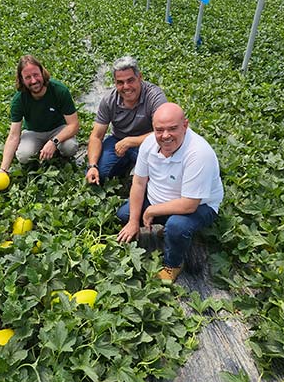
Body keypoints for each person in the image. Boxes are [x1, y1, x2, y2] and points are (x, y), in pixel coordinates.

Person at [116, 103, 223, 282]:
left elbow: (189, 204)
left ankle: (173, 264)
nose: (165, 136)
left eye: (172, 129)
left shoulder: (199, 153)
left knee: (177, 227)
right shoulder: (149, 144)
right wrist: (134, 221)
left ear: (185, 125)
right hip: (160, 199)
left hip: (200, 206)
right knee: (124, 214)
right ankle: (167, 229)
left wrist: (151, 211)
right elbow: (139, 182)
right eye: (159, 130)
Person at [85, 56, 167, 185]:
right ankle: (126, 163)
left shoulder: (154, 97)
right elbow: (96, 136)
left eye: (130, 80)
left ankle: (137, 165)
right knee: (101, 174)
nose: (126, 87)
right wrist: (92, 166)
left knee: (158, 176)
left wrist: (131, 141)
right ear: (115, 83)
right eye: (120, 82)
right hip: (118, 140)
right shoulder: (109, 100)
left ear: (140, 77)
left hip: (150, 143)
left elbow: (164, 132)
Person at [0, 55, 79, 174]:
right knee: (24, 156)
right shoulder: (19, 100)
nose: (33, 80)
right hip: (33, 132)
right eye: (28, 77)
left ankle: (54, 150)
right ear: (22, 79)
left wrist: (54, 141)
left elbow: (74, 125)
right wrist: (3, 169)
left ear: (42, 72)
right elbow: (13, 136)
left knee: (70, 147)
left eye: (36, 74)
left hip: (58, 129)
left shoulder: (59, 90)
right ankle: (43, 149)